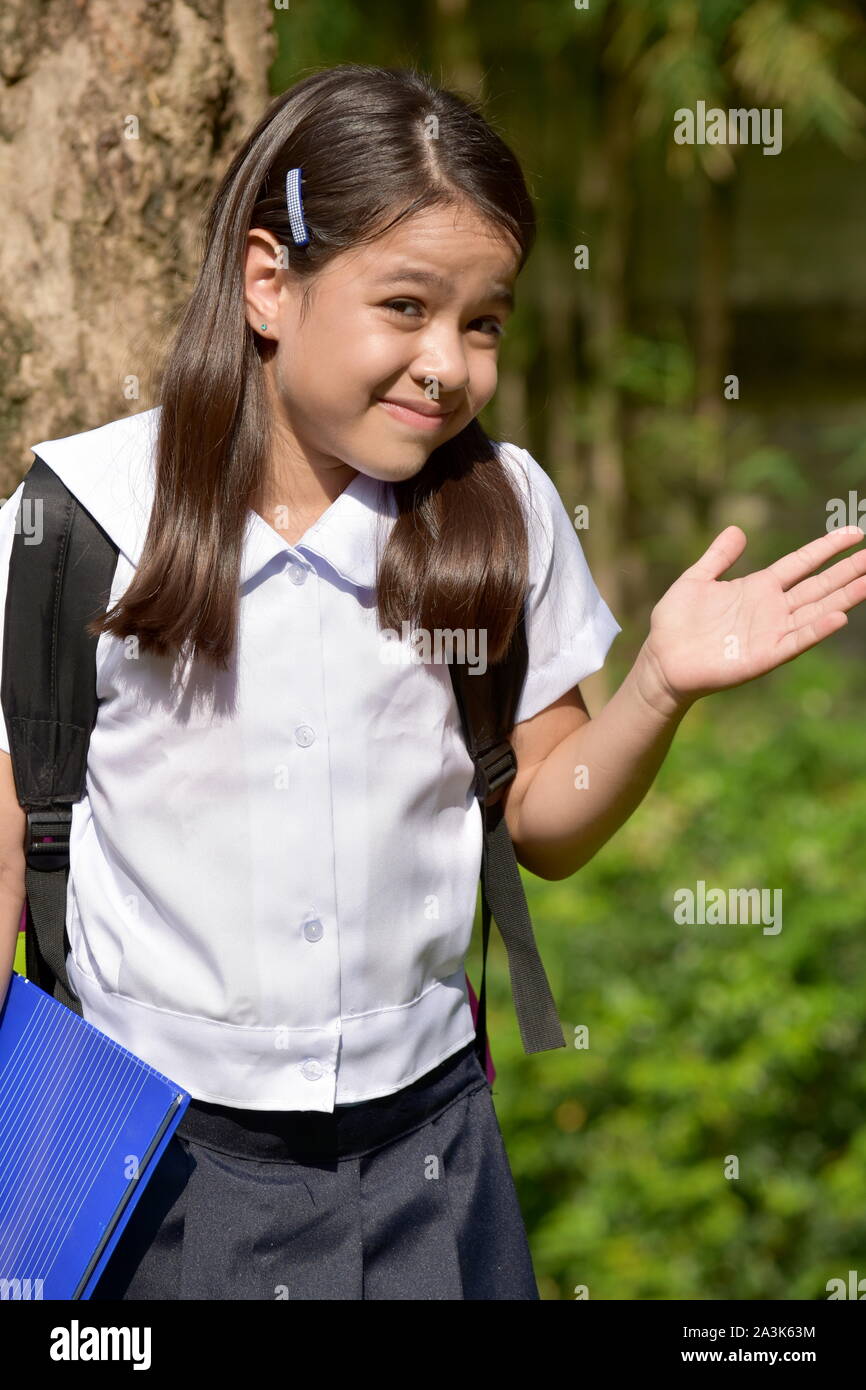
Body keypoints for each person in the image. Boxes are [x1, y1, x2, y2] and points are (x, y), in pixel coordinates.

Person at [0, 63, 863, 1302]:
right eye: (403, 305)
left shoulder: (497, 512)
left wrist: (657, 688)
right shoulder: (75, 522)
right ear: (266, 283)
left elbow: (545, 817)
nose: (446, 364)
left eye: (483, 321)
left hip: (431, 1159)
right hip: (155, 1174)